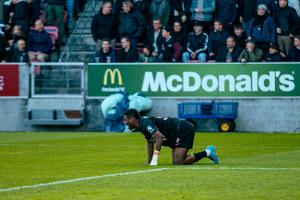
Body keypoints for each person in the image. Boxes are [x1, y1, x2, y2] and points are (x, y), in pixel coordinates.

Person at [123, 108, 219, 165]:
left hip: (182, 128)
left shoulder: (145, 123)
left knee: (180, 161)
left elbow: (159, 137)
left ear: (132, 119)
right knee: (176, 162)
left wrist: (154, 160)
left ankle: (208, 152)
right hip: (174, 133)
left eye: (126, 120)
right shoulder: (142, 125)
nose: (125, 122)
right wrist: (149, 161)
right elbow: (150, 142)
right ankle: (207, 152)